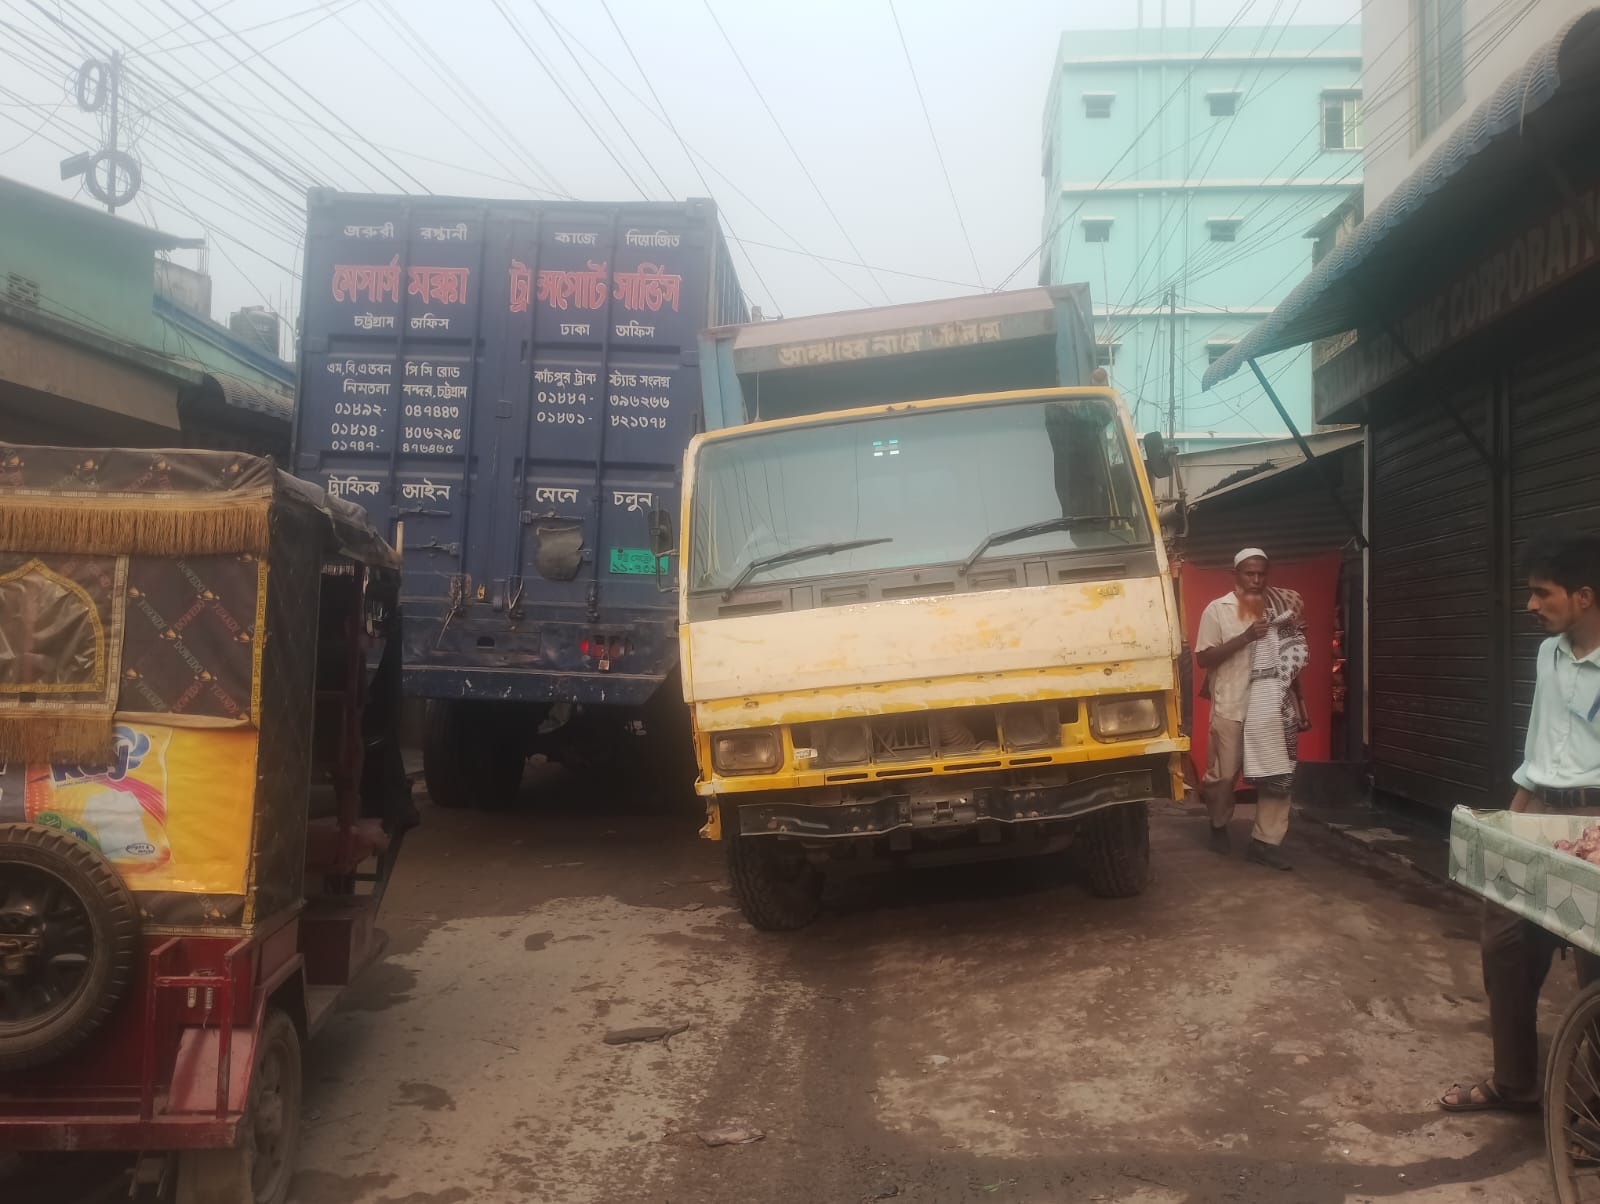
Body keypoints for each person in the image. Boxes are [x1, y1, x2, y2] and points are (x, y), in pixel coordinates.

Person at [1440, 531, 1600, 1113]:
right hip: (1540, 814)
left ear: (1584, 597)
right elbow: (1539, 749)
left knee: (1596, 969)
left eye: (1542, 594)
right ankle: (1513, 1082)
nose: (1530, 606)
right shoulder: (1547, 653)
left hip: (1597, 820)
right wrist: (1507, 822)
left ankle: (1594, 1114)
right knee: (1504, 942)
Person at [1193, 548, 1309, 871]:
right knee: (1223, 775)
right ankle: (1218, 823)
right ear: (1236, 575)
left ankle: (1265, 842)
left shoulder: (1278, 609)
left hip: (1272, 708)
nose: (1256, 580)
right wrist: (1245, 637)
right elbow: (1203, 658)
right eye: (1249, 574)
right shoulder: (1218, 610)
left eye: (1261, 574)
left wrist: (1299, 703)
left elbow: (1289, 661)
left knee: (1278, 776)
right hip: (1231, 704)